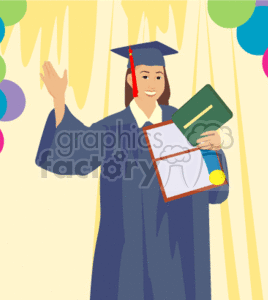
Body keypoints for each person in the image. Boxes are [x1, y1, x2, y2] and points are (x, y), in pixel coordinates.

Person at [36, 41, 229, 300]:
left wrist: (213, 149)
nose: (152, 83)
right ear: (130, 80)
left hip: (176, 240)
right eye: (144, 75)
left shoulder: (184, 122)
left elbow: (214, 189)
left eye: (159, 76)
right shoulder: (112, 127)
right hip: (127, 243)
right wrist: (59, 101)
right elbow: (74, 155)